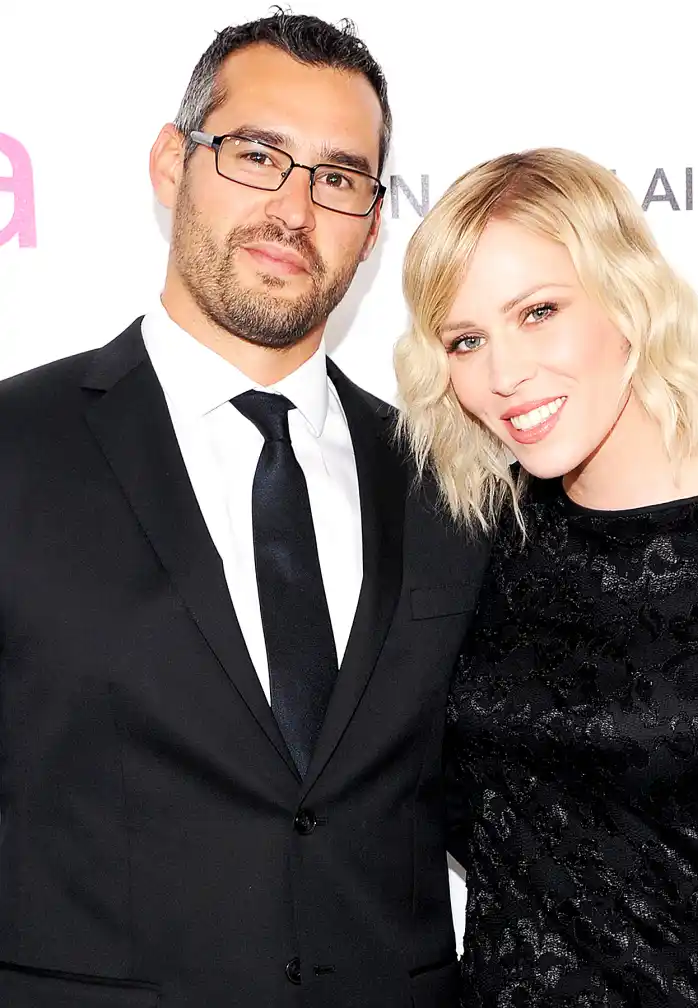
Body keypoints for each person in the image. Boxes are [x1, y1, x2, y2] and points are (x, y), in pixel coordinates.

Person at [0, 13, 488, 1008]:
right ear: (172, 164)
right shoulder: (15, 448)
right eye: (258, 155)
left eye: (339, 178)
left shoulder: (453, 482)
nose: (294, 209)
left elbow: (534, 780)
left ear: (372, 221)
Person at [395, 147, 698, 1005]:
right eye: (466, 340)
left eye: (538, 312)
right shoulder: (474, 537)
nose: (503, 376)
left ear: (629, 298)